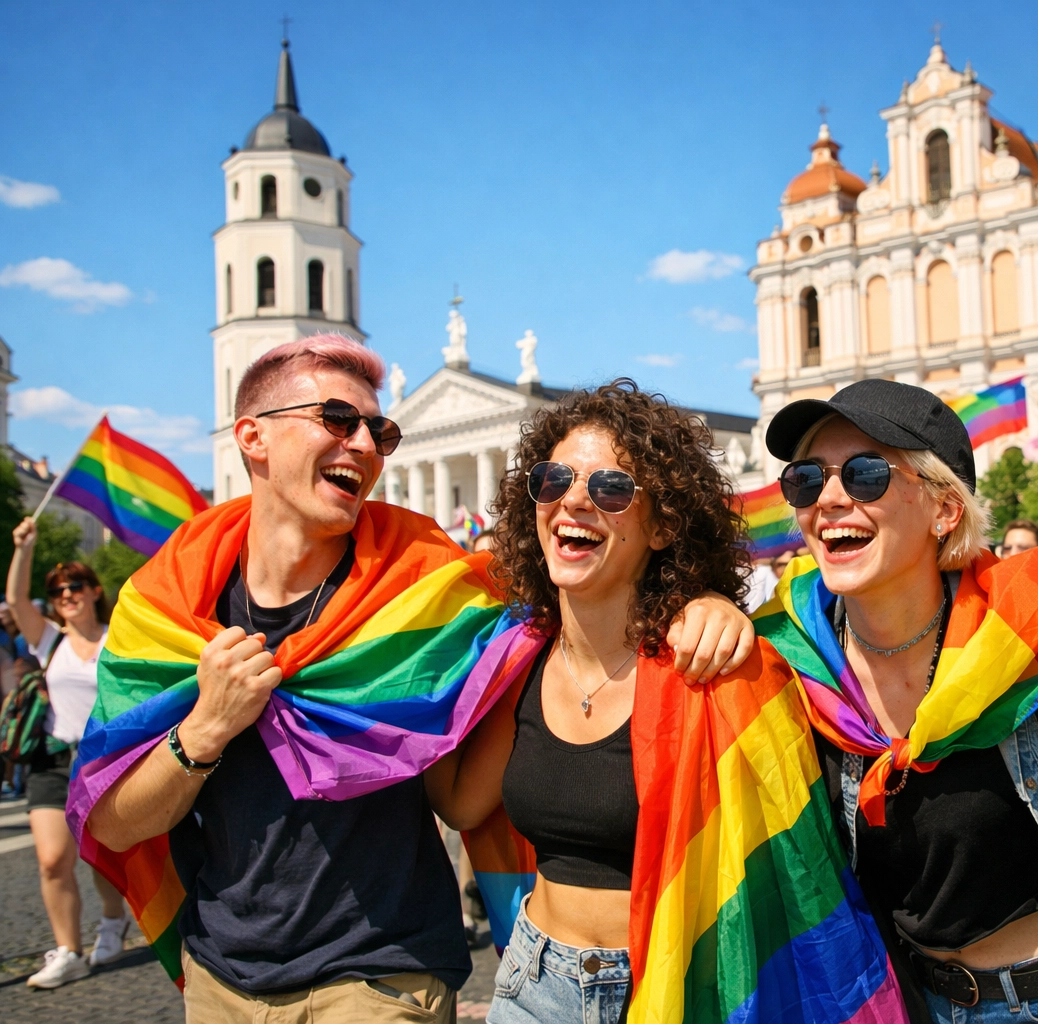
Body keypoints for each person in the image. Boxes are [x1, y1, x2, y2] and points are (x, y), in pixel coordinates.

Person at [69, 337, 748, 1022]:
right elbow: (114, 824)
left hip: (383, 976)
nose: (364, 444)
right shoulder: (166, 609)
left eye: (379, 430)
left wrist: (701, 599)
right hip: (222, 976)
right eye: (337, 419)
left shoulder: (426, 587)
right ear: (253, 438)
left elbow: (567, 601)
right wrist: (205, 729)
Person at [426, 381, 901, 1023]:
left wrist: (720, 610)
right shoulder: (516, 666)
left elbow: (799, 863)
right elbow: (460, 802)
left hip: (682, 981)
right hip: (534, 986)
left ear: (662, 525)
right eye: (553, 479)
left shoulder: (712, 666)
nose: (573, 501)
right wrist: (410, 698)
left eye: (611, 489)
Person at [756, 378, 1038, 1024]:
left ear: (945, 510)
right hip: (912, 1004)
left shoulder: (1032, 635)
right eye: (807, 480)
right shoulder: (795, 663)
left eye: (866, 473)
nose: (829, 500)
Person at [5, 538, 129, 989]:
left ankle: (113, 921)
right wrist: (25, 548)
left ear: (95, 590)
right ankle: (69, 952)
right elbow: (16, 599)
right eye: (57, 591)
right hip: (54, 759)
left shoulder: (119, 636)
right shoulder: (48, 640)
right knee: (52, 859)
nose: (66, 596)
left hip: (103, 763)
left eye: (74, 586)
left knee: (102, 859)